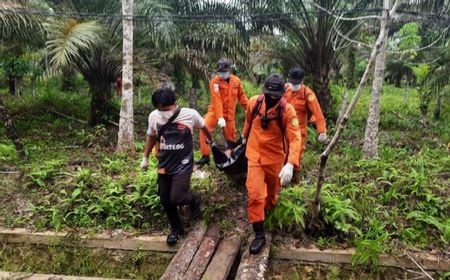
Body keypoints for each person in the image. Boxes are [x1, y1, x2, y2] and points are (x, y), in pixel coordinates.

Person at [140, 88, 213, 245]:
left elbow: (204, 126)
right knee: (165, 199)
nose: (162, 112)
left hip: (183, 163)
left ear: (174, 104)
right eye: (159, 109)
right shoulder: (153, 116)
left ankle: (194, 200)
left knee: (176, 197)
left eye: (165, 109)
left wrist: (209, 140)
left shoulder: (190, 114)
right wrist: (145, 158)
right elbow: (151, 136)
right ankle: (176, 229)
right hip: (164, 163)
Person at [242, 74, 302, 254]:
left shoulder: (287, 111)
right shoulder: (255, 103)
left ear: (282, 94)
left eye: (276, 95)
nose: (272, 98)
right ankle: (259, 234)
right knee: (255, 194)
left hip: (275, 159)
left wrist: (290, 164)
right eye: (269, 94)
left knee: (271, 195)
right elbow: (248, 121)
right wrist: (244, 136)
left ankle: (267, 211)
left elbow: (295, 138)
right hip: (254, 155)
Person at [196, 58, 248, 165]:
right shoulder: (214, 82)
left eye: (224, 72)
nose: (222, 74)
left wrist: (248, 108)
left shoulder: (236, 81)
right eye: (220, 72)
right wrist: (219, 117)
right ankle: (205, 155)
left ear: (229, 70)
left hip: (230, 113)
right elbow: (217, 99)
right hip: (215, 111)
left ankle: (231, 158)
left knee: (230, 138)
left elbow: (242, 96)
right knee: (203, 127)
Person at [284, 67, 327, 170]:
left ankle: (295, 184)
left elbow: (317, 112)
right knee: (282, 156)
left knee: (296, 158)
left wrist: (322, 131)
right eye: (292, 83)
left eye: (296, 84)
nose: (293, 86)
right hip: (283, 129)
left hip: (299, 132)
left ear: (302, 81)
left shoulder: (307, 94)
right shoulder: (284, 89)